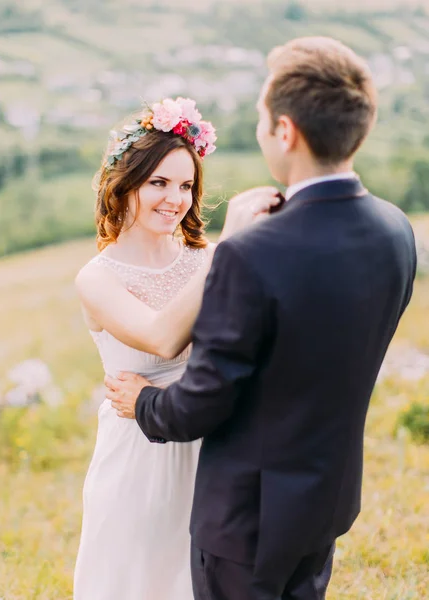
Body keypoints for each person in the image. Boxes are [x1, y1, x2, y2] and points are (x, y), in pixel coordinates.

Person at [104, 38, 417, 600]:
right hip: (328, 498)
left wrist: (142, 402)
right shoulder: (396, 231)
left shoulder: (252, 253)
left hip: (247, 515)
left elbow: (203, 399)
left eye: (259, 119)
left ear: (286, 132)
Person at [73, 97, 279, 599]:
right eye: (158, 183)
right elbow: (163, 338)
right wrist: (228, 251)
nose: (175, 199)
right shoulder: (96, 279)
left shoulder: (204, 257)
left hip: (214, 444)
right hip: (139, 455)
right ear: (124, 185)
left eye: (186, 185)